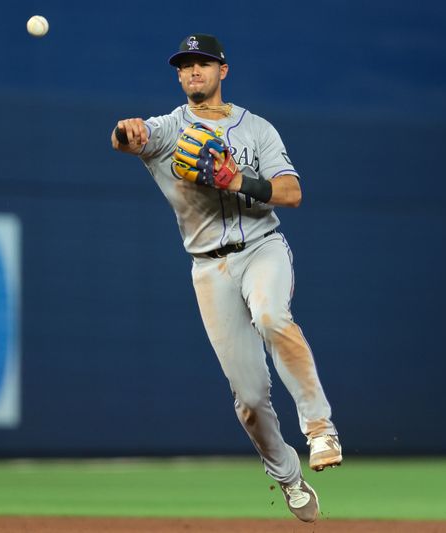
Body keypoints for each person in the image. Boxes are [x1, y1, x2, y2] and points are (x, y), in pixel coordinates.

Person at [111, 33, 341, 523]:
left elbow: (292, 192)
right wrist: (124, 130)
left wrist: (239, 180)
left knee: (272, 314)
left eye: (204, 63)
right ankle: (288, 477)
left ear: (223, 70)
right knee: (251, 400)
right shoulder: (170, 128)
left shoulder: (257, 129)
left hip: (262, 247)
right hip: (209, 268)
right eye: (185, 65)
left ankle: (320, 427)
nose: (194, 70)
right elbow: (130, 140)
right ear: (178, 75)